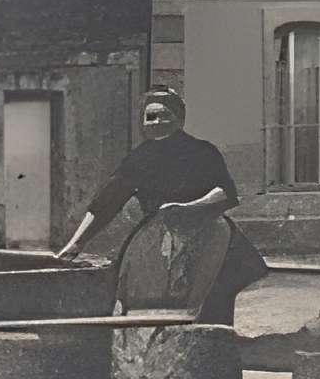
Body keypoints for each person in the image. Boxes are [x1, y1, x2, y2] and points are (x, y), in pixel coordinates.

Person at [53, 87, 268, 324]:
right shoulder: (139, 158)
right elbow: (106, 202)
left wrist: (190, 207)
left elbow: (225, 192)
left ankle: (216, 345)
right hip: (161, 235)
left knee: (215, 297)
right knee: (147, 296)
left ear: (179, 119)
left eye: (164, 115)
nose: (157, 122)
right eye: (150, 117)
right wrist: (76, 243)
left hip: (209, 233)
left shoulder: (202, 151)